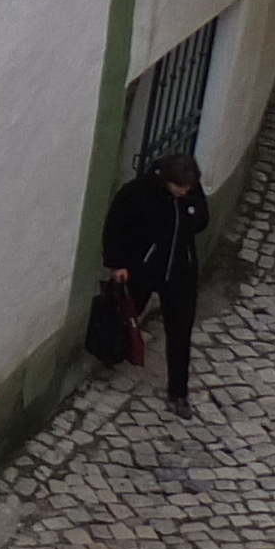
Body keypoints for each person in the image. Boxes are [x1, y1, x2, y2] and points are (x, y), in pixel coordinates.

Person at [101, 151, 210, 408]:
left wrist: (189, 211)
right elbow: (115, 227)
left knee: (180, 333)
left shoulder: (190, 191)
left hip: (181, 272)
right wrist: (117, 264)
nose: (184, 191)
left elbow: (202, 220)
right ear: (166, 180)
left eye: (188, 187)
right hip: (144, 268)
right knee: (126, 314)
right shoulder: (136, 193)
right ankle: (112, 352)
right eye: (179, 187)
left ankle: (178, 393)